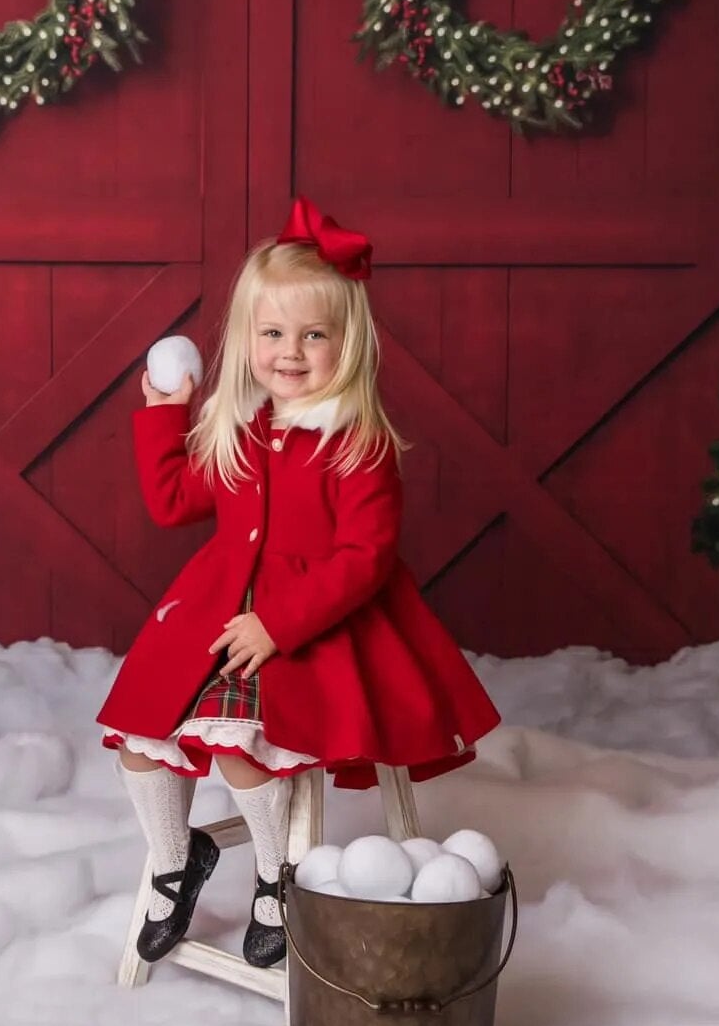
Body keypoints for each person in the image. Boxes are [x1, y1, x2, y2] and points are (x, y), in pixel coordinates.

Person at [99, 196, 500, 969]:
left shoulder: (359, 441)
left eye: (314, 334)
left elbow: (366, 557)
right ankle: (176, 864)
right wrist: (165, 414)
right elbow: (173, 501)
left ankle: (276, 874)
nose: (291, 351)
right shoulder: (242, 427)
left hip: (314, 620)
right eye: (273, 333)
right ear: (247, 338)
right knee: (140, 737)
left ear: (348, 343)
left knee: (240, 747)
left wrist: (277, 624)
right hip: (219, 603)